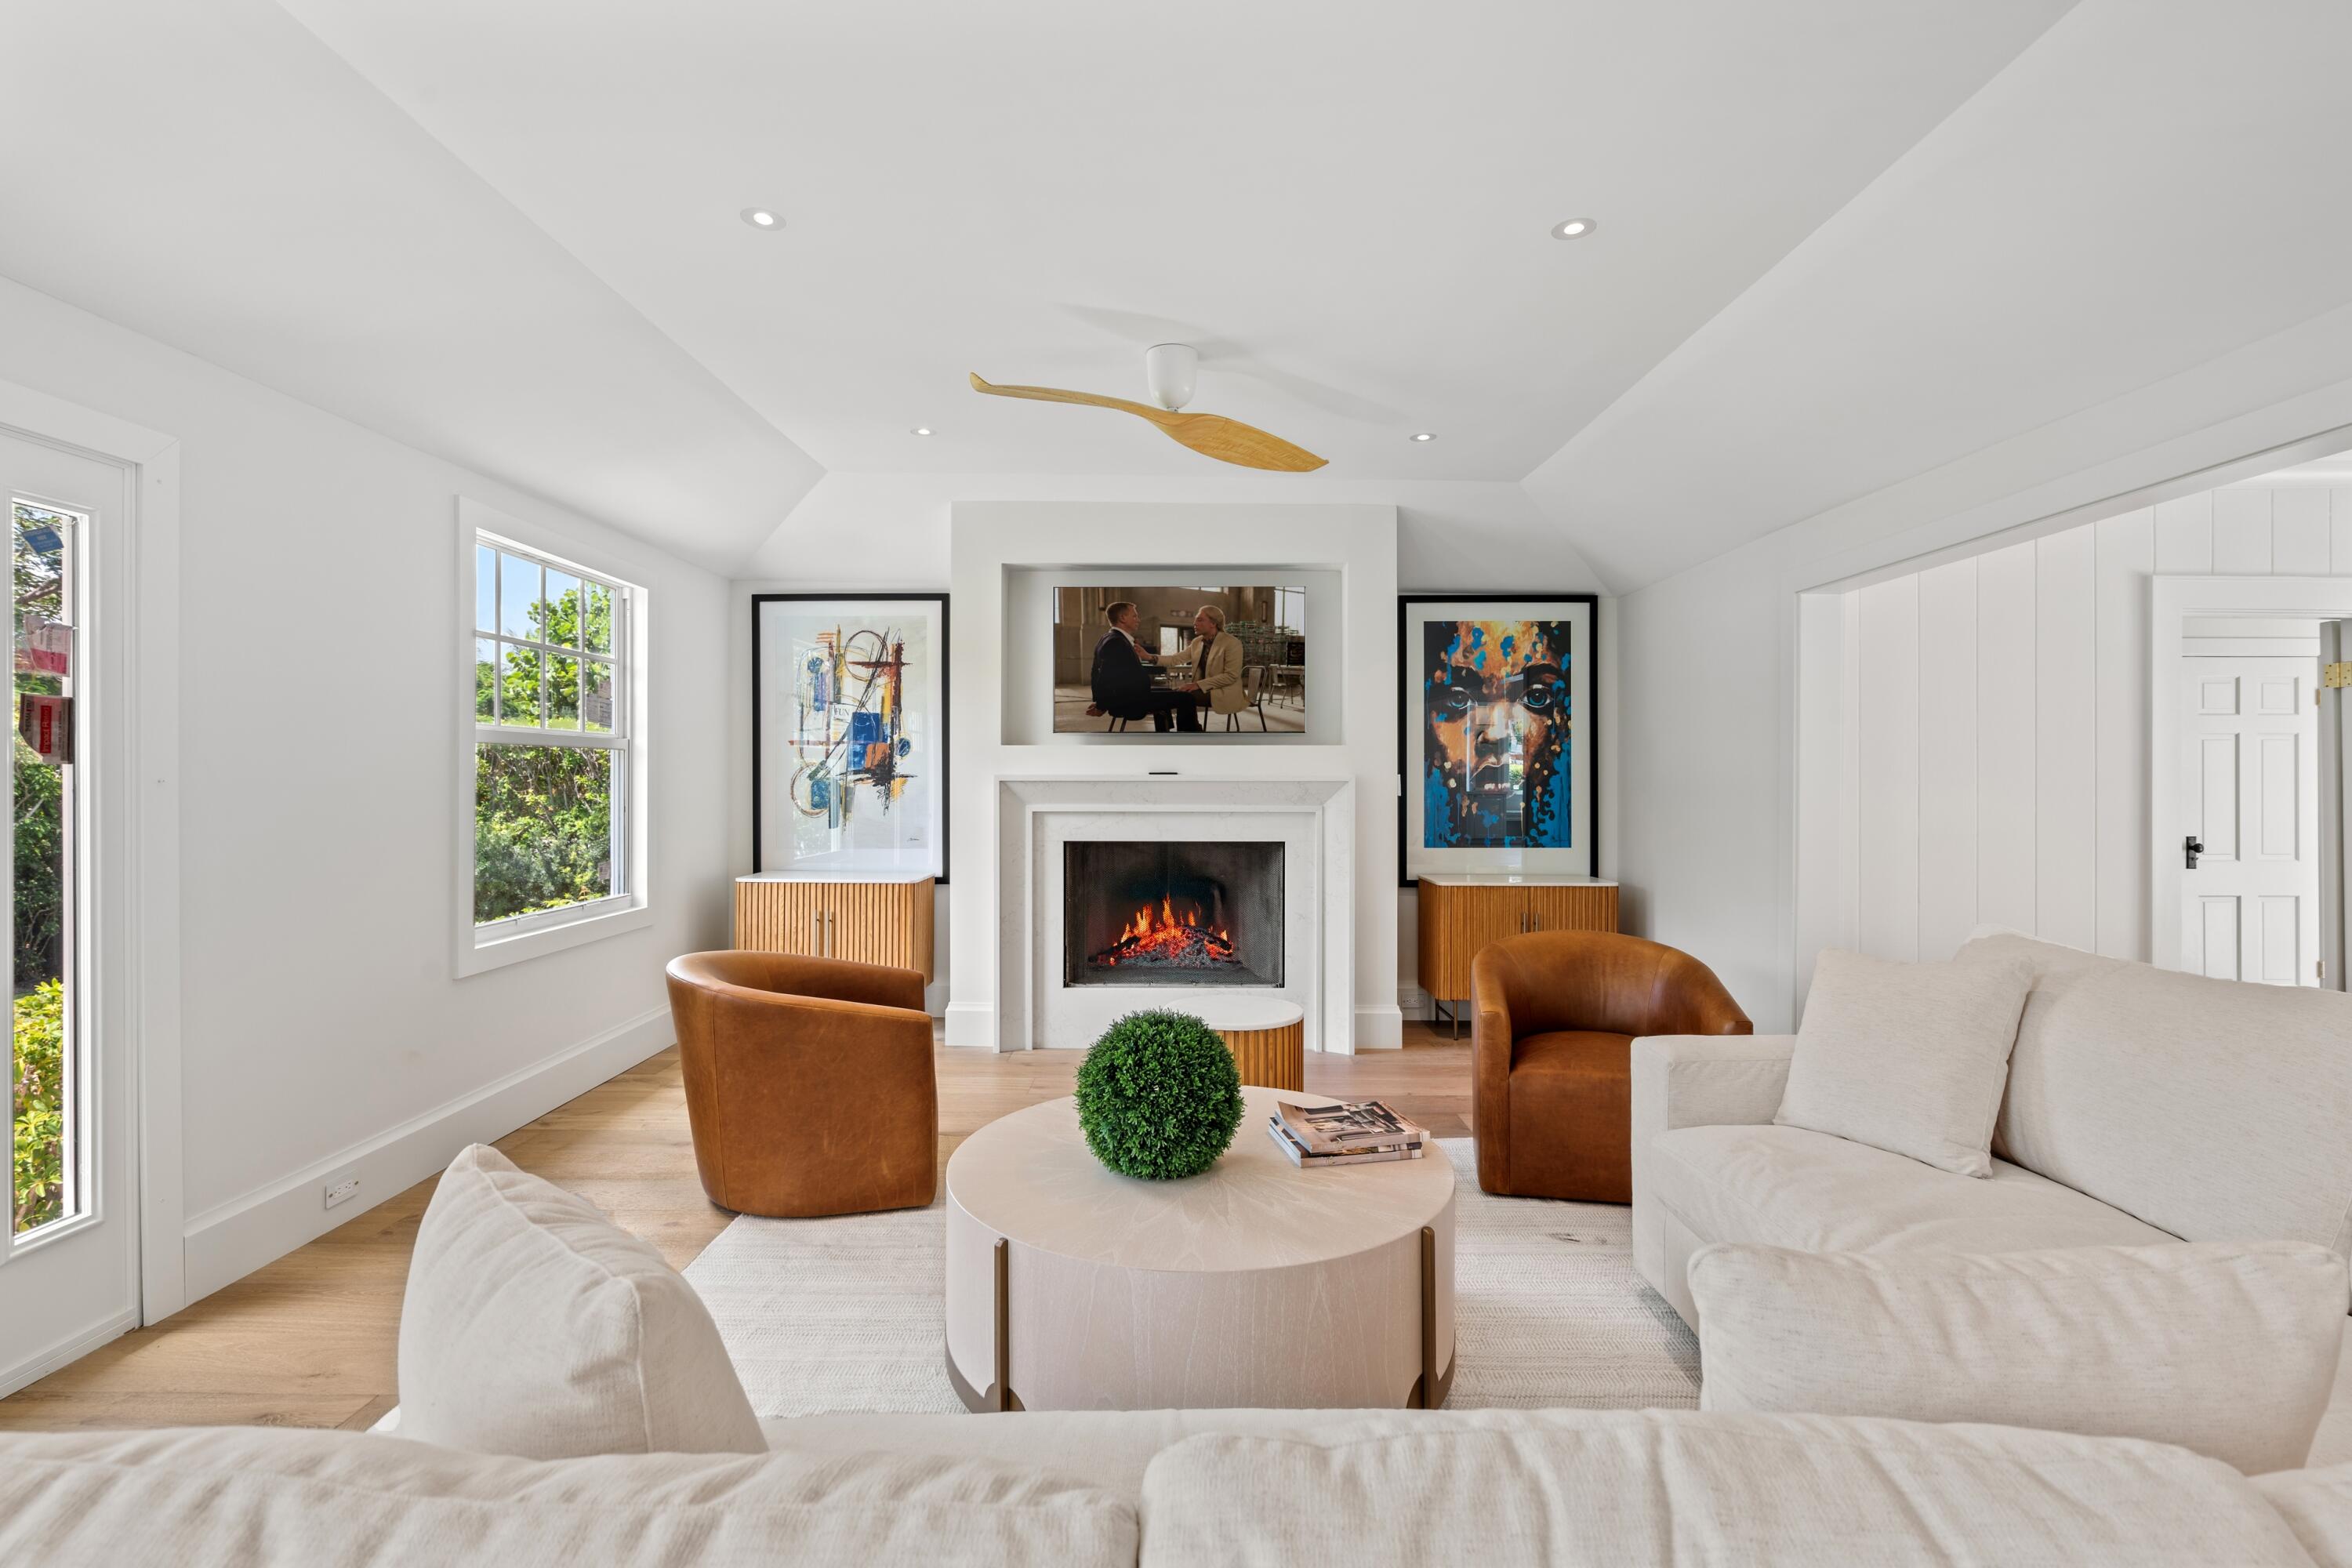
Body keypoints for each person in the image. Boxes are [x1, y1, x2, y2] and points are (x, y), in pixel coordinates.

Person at [1089, 601, 1203, 731]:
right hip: (1130, 701)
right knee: (1187, 698)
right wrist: (1101, 705)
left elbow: (1095, 672)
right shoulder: (1116, 642)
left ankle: (1165, 732)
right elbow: (1104, 676)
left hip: (1132, 696)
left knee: (1173, 691)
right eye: (1135, 616)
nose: (1138, 620)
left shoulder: (1108, 638)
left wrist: (1100, 701)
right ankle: (1188, 735)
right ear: (1123, 618)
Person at [1147, 604, 1247, 727]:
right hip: (1203, 689)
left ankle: (1189, 731)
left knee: (1183, 697)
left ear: (1213, 623)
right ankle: (1181, 730)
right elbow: (1175, 659)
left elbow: (1231, 676)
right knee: (1170, 695)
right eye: (1195, 620)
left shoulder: (1232, 643)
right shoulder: (1197, 642)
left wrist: (1197, 685)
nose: (1194, 623)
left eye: (1200, 620)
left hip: (1225, 692)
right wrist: (1149, 657)